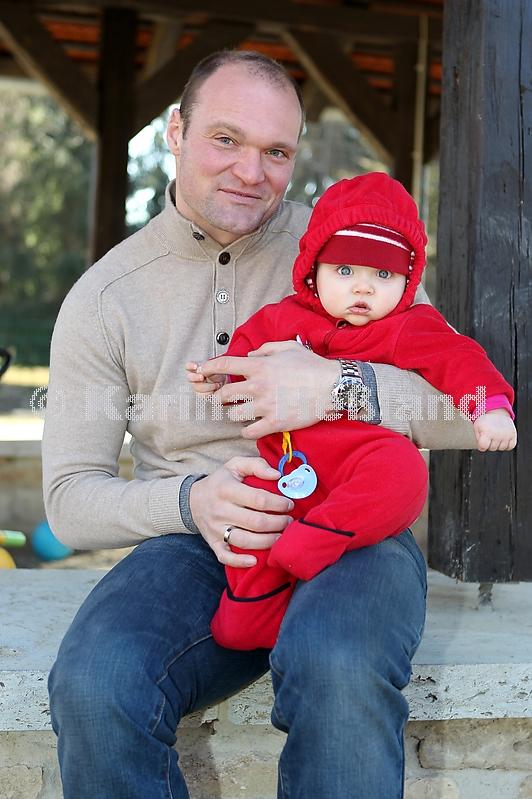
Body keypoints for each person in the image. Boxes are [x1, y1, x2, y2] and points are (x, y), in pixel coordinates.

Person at [44, 50, 478, 799]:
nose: (251, 171)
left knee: (338, 662)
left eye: (276, 151)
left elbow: (471, 415)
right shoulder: (104, 296)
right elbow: (68, 500)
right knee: (95, 681)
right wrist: (192, 501)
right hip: (198, 548)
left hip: (354, 531)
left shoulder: (356, 252)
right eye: (226, 139)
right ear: (175, 131)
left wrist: (339, 386)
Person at [187, 171, 516, 651]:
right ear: (312, 270)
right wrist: (218, 377)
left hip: (360, 462)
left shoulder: (409, 326)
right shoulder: (282, 318)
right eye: (345, 271)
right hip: (284, 465)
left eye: (382, 276)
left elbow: (460, 360)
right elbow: (245, 357)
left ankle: (313, 542)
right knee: (252, 513)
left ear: (407, 280)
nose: (363, 289)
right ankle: (248, 617)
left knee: (403, 472)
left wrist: (489, 407)